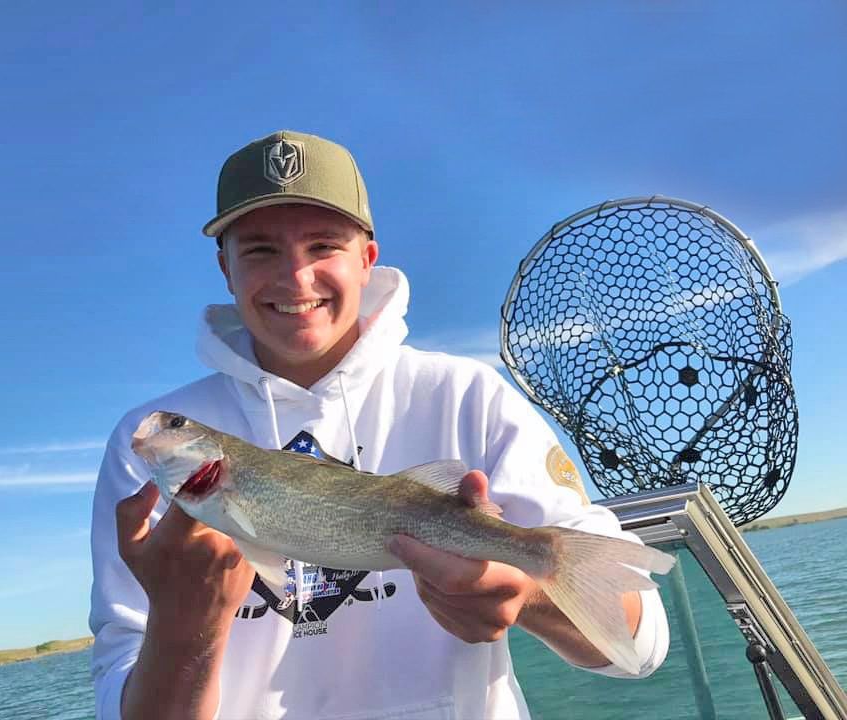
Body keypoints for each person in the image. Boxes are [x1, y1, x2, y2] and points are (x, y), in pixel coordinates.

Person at [89, 130, 670, 720]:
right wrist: (187, 629)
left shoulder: (465, 395)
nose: (296, 278)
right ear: (226, 269)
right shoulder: (142, 447)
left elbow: (642, 646)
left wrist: (527, 597)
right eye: (260, 250)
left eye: (323, 246)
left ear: (367, 260)